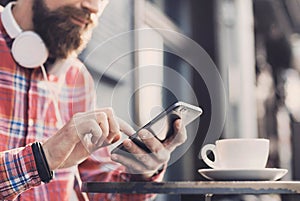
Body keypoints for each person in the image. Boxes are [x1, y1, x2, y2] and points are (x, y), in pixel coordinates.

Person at [0, 0, 187, 200]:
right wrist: (42, 158)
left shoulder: (77, 77)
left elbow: (99, 190)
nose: (95, 7)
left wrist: (141, 175)